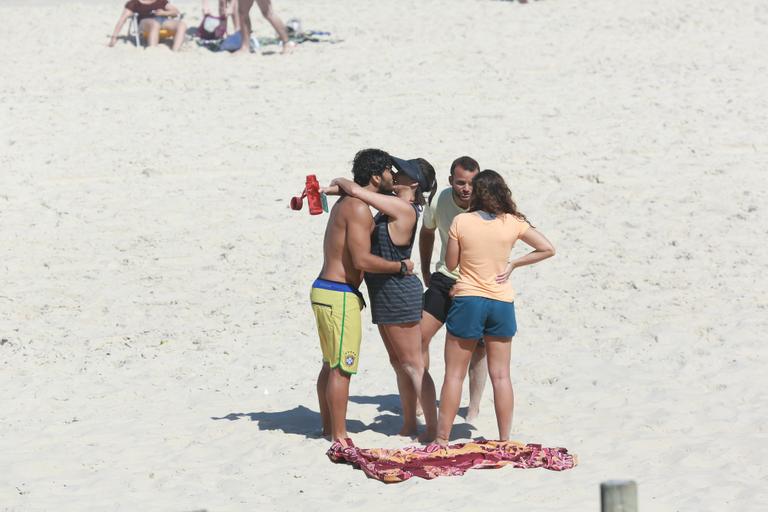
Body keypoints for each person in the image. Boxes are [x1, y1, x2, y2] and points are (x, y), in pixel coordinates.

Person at [435, 170, 555, 446]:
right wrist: (513, 263)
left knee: (454, 373)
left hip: (469, 299)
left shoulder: (461, 220)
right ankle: (504, 439)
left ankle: (442, 438)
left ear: (477, 193)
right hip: (502, 301)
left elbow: (451, 264)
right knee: (501, 375)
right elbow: (547, 248)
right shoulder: (513, 222)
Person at [328, 155, 439, 442]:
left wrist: (341, 183)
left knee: (414, 363)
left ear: (412, 183)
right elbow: (364, 193)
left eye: (399, 171)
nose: (393, 172)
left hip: (398, 290)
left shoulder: (405, 209)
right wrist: (333, 190)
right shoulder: (392, 201)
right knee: (398, 362)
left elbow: (358, 191)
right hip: (383, 291)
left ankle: (434, 429)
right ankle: (409, 424)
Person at [311, 149, 415, 444]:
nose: (393, 176)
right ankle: (340, 436)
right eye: (388, 172)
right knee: (343, 368)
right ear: (375, 176)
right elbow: (362, 261)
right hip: (339, 294)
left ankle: (328, 428)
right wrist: (400, 266)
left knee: (330, 364)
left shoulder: (347, 202)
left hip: (325, 290)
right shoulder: (357, 208)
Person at [419, 156, 488, 423]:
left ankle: (474, 407)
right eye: (461, 183)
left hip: (476, 284)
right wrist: (425, 269)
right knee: (419, 337)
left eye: (472, 183)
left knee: (478, 347)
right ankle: (421, 399)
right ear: (451, 181)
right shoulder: (440, 199)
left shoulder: (486, 205)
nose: (467, 189)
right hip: (444, 278)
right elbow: (427, 232)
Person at [109, 0, 187, 52]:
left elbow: (176, 12)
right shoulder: (134, 3)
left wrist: (164, 13)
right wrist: (114, 37)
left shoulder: (160, 1)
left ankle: (175, 51)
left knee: (182, 25)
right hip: (144, 23)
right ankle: (153, 51)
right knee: (154, 24)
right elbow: (122, 19)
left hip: (162, 20)